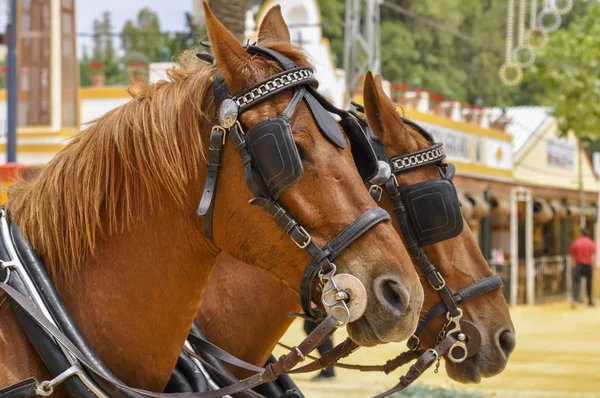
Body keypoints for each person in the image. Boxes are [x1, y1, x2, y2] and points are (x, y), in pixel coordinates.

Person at [568, 227, 596, 308]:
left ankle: (575, 301)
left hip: (579, 265)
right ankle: (590, 301)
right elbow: (593, 257)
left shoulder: (576, 242)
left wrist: (573, 265)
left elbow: (572, 255)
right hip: (588, 265)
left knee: (576, 283)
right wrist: (593, 269)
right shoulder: (591, 243)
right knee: (589, 284)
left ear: (581, 234)